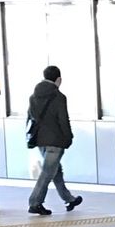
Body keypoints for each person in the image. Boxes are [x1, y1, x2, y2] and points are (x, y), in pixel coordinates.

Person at [27, 65, 82, 217]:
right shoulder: (59, 97)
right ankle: (35, 203)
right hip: (55, 141)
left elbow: (31, 116)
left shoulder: (33, 96)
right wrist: (68, 137)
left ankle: (69, 199)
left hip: (40, 140)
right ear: (58, 79)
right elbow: (63, 120)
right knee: (47, 172)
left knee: (55, 170)